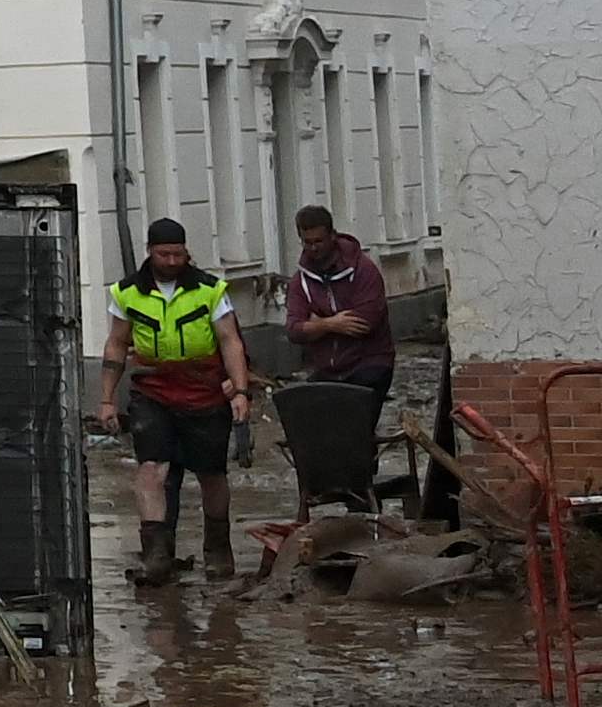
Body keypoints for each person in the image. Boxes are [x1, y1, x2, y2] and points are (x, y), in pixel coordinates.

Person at [101, 217, 254, 585]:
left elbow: (230, 340)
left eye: (178, 254)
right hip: (153, 390)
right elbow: (117, 344)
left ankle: (217, 549)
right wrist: (106, 399)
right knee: (151, 467)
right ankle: (156, 553)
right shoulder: (127, 292)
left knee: (211, 472)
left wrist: (240, 390)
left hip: (203, 390)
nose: (172, 261)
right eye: (164, 254)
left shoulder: (210, 290)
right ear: (150, 252)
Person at [282, 205, 397, 393]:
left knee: (356, 407)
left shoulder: (363, 270)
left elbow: (365, 322)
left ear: (332, 236)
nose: (313, 248)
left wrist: (315, 323)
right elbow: (294, 330)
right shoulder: (300, 281)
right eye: (307, 242)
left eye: (318, 241)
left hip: (370, 363)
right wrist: (330, 324)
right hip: (327, 369)